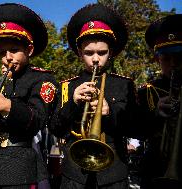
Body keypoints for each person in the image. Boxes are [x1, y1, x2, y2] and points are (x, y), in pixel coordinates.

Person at [50, 3, 137, 189]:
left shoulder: (124, 85)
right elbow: (56, 128)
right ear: (80, 53)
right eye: (89, 53)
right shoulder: (68, 86)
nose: (96, 59)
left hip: (113, 175)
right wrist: (73, 103)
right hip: (74, 175)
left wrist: (109, 111)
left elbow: (134, 127)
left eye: (102, 52)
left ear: (111, 53)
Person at [0, 3, 57, 188]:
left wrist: (7, 106)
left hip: (18, 168)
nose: (7, 57)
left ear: (29, 50)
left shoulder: (42, 79)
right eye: (2, 52)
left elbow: (38, 120)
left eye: (14, 50)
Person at [136, 14, 182, 189]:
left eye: (179, 56)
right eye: (166, 58)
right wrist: (155, 114)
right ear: (158, 59)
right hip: (155, 173)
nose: (173, 63)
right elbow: (137, 129)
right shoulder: (146, 91)